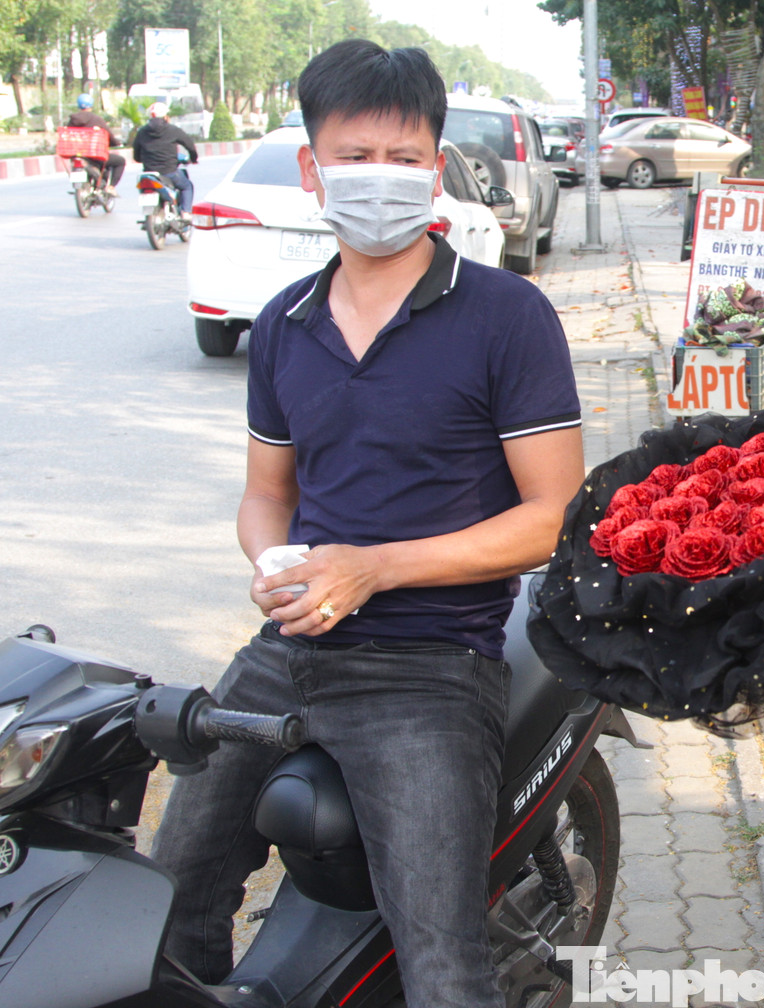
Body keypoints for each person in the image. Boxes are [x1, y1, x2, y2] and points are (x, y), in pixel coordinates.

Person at [148, 39, 585, 1008]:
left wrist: (373, 570)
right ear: (313, 168)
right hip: (286, 652)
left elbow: (553, 517)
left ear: (435, 166)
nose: (380, 180)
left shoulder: (506, 317)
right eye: (355, 157)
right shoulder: (284, 324)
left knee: (441, 968)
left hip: (430, 670)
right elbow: (266, 493)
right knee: (168, 903)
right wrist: (275, 562)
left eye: (404, 158)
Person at [132, 101, 198, 217]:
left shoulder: (142, 132)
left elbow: (136, 155)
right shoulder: (173, 130)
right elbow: (189, 145)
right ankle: (186, 212)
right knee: (187, 186)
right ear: (166, 117)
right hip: (169, 172)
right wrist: (193, 158)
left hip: (149, 172)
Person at [66, 93, 124, 194]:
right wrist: (116, 143)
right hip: (94, 155)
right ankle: (111, 187)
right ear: (91, 105)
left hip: (77, 154)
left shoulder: (72, 120)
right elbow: (108, 135)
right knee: (120, 161)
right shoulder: (96, 119)